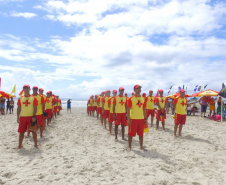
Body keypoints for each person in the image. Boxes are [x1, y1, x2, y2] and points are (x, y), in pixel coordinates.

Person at [17, 84, 38, 149]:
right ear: (23, 90)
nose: (26, 89)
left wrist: (34, 116)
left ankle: (36, 144)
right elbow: (19, 108)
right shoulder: (20, 98)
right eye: (24, 88)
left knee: (34, 131)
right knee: (21, 132)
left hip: (31, 117)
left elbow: (35, 108)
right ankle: (20, 145)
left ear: (29, 89)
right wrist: (18, 117)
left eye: (27, 88)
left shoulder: (33, 98)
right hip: (23, 117)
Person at [127, 84, 147, 151]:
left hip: (141, 118)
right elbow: (128, 109)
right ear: (134, 90)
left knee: (141, 134)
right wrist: (128, 119)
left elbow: (144, 109)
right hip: (133, 118)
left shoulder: (143, 98)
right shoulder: (131, 99)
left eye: (140, 88)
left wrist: (145, 118)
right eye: (138, 88)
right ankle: (129, 146)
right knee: (130, 133)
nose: (139, 89)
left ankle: (141, 146)